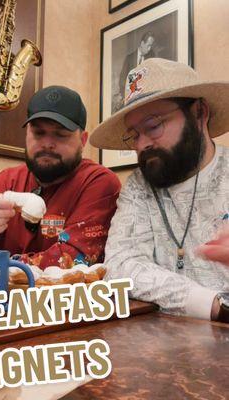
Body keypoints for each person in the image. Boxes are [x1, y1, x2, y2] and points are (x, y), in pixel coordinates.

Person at [90, 58, 229, 323]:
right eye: (134, 134)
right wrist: (213, 305)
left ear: (200, 113)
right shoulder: (138, 186)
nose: (142, 144)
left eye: (153, 126)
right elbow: (120, 266)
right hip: (162, 347)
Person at [0, 85, 121, 270]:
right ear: (27, 135)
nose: (47, 144)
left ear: (82, 141)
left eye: (61, 135)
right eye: (38, 133)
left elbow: (72, 259)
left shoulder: (98, 182)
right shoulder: (9, 180)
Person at [115, 31, 155, 112]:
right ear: (142, 43)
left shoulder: (151, 58)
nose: (149, 49)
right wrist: (125, 95)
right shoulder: (129, 58)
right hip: (129, 98)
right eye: (148, 45)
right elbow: (122, 78)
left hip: (144, 99)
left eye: (151, 46)